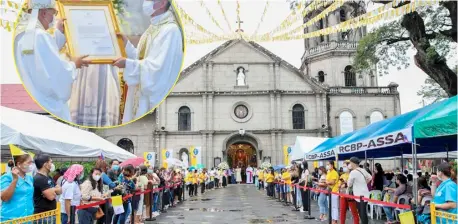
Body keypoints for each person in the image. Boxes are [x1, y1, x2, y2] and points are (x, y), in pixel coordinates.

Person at [14, 0, 88, 121]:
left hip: (34, 99)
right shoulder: (40, 36)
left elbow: (44, 56)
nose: (53, 18)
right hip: (49, 104)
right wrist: (74, 65)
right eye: (53, 13)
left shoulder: (22, 36)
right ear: (43, 13)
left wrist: (59, 33)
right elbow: (56, 72)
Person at [113, 0, 184, 123]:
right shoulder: (152, 28)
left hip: (149, 97)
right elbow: (141, 58)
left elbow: (159, 68)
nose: (144, 3)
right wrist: (126, 44)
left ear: (162, 3)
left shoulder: (170, 31)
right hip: (138, 93)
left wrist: (128, 64)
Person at [0, 154, 34, 221]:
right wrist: (15, 180)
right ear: (19, 164)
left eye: (32, 163)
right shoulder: (7, 177)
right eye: (29, 162)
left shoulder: (30, 178)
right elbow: (4, 198)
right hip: (11, 219)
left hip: (28, 218)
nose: (31, 165)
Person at [33, 153, 61, 219]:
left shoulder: (49, 177)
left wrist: (52, 190)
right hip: (43, 216)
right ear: (45, 165)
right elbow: (51, 197)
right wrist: (54, 190)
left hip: (51, 214)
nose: (52, 164)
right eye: (51, 162)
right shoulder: (39, 178)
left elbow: (60, 191)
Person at [346, 158, 371, 224]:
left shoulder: (353, 172)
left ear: (353, 163)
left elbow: (349, 184)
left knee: (362, 213)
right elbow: (370, 177)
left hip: (359, 196)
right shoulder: (363, 170)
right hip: (365, 194)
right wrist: (364, 183)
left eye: (350, 163)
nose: (349, 164)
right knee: (363, 212)